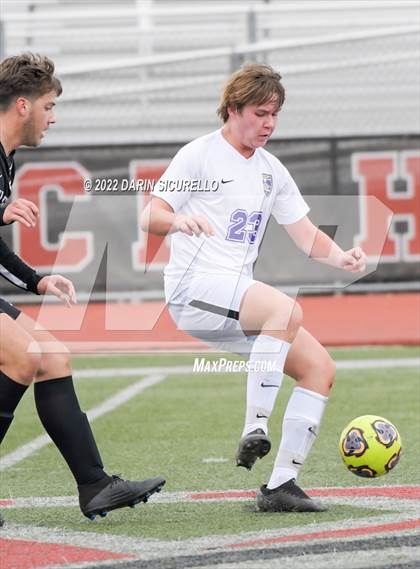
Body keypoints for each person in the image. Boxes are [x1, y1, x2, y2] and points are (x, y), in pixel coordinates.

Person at [141, 63, 366, 513]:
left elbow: (305, 235)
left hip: (235, 297)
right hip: (193, 290)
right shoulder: (199, 155)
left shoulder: (271, 170)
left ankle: (281, 485)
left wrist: (341, 256)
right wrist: (177, 219)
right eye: (261, 113)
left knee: (320, 368)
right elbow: (149, 214)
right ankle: (254, 427)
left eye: (275, 114)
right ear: (232, 109)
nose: (269, 124)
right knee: (284, 311)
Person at [0, 53, 165, 526]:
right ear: (24, 106)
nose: (54, 117)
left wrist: (37, 280)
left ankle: (95, 485)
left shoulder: (5, 158)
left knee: (53, 356)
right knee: (22, 355)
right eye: (49, 106)